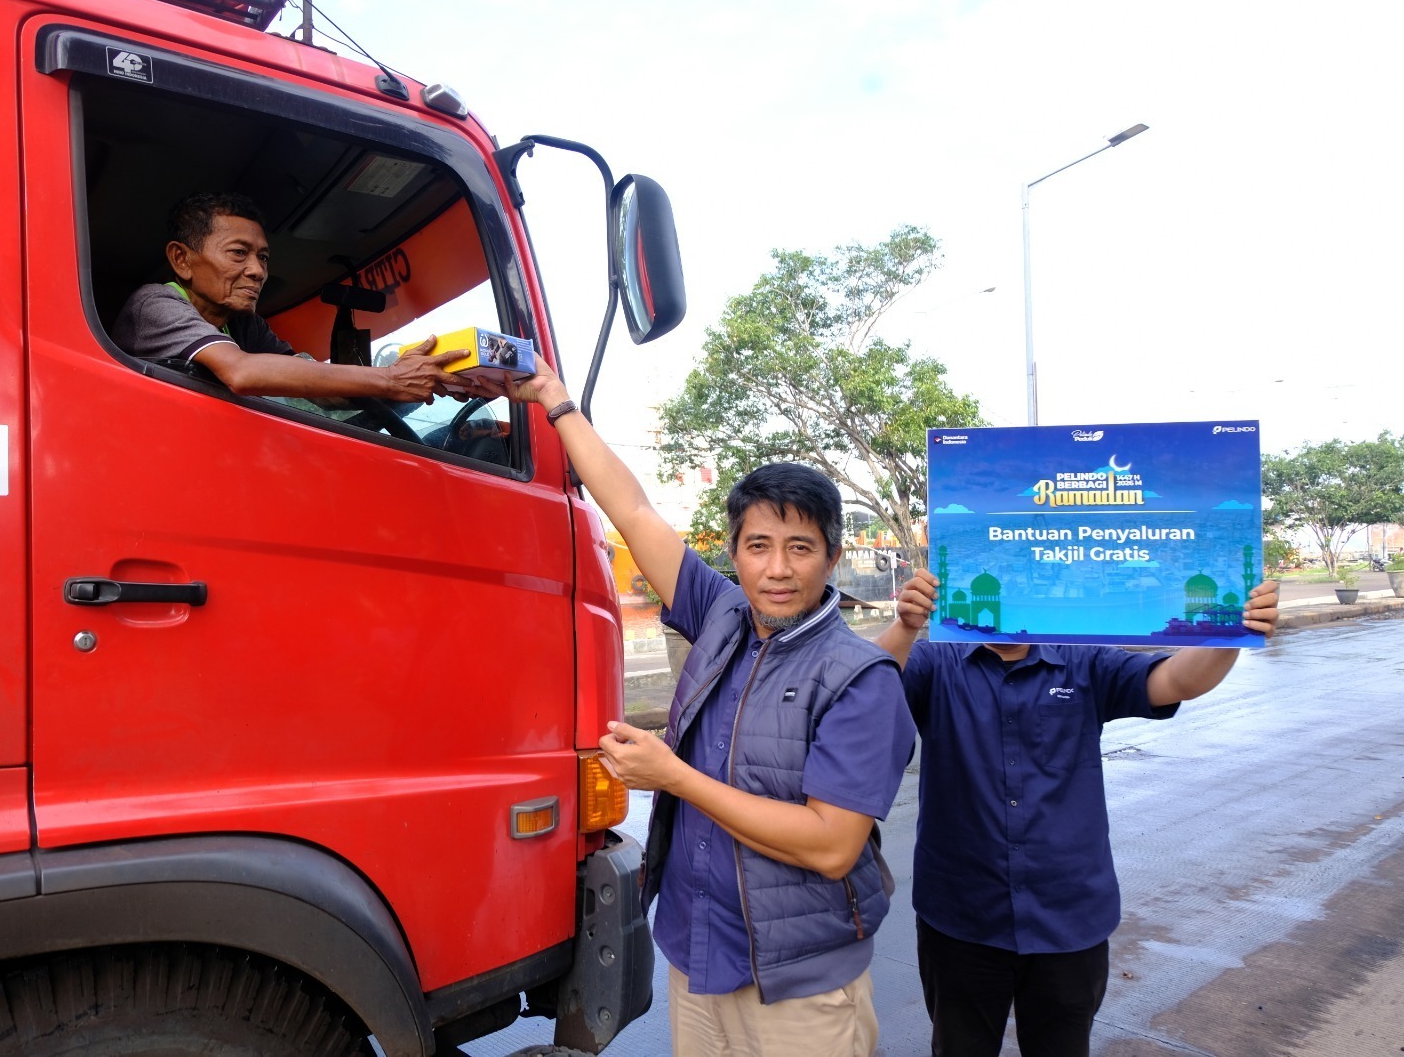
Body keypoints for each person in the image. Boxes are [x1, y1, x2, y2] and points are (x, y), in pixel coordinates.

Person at [506, 358, 916, 1056]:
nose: (778, 569)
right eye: (759, 547)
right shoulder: (721, 612)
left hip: (801, 986)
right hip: (700, 958)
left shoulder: (859, 676)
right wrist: (556, 401)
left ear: (833, 558)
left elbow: (831, 844)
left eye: (800, 549)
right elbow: (632, 511)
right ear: (733, 552)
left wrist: (674, 777)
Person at [877, 568, 1281, 1057]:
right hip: (962, 917)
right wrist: (905, 627)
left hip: (1067, 919)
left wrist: (1229, 634)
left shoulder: (1083, 659)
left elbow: (1173, 679)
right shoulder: (936, 660)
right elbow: (867, 693)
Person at [111, 193, 477, 404]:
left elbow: (316, 386)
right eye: (239, 253)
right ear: (181, 259)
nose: (257, 271)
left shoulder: (244, 326)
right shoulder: (155, 304)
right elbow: (241, 372)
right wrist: (391, 379)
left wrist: (432, 377)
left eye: (263, 258)